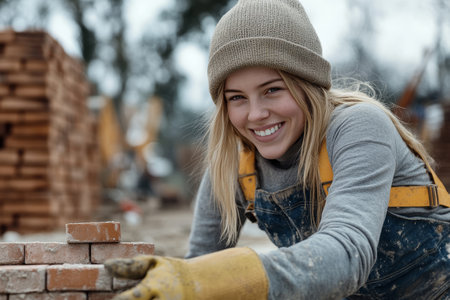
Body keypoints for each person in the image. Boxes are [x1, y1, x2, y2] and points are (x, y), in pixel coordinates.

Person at [105, 0, 450, 299]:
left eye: (272, 90)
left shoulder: (360, 127)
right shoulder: (234, 164)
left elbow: (347, 255)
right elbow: (199, 264)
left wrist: (226, 278)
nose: (255, 114)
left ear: (306, 84)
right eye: (236, 98)